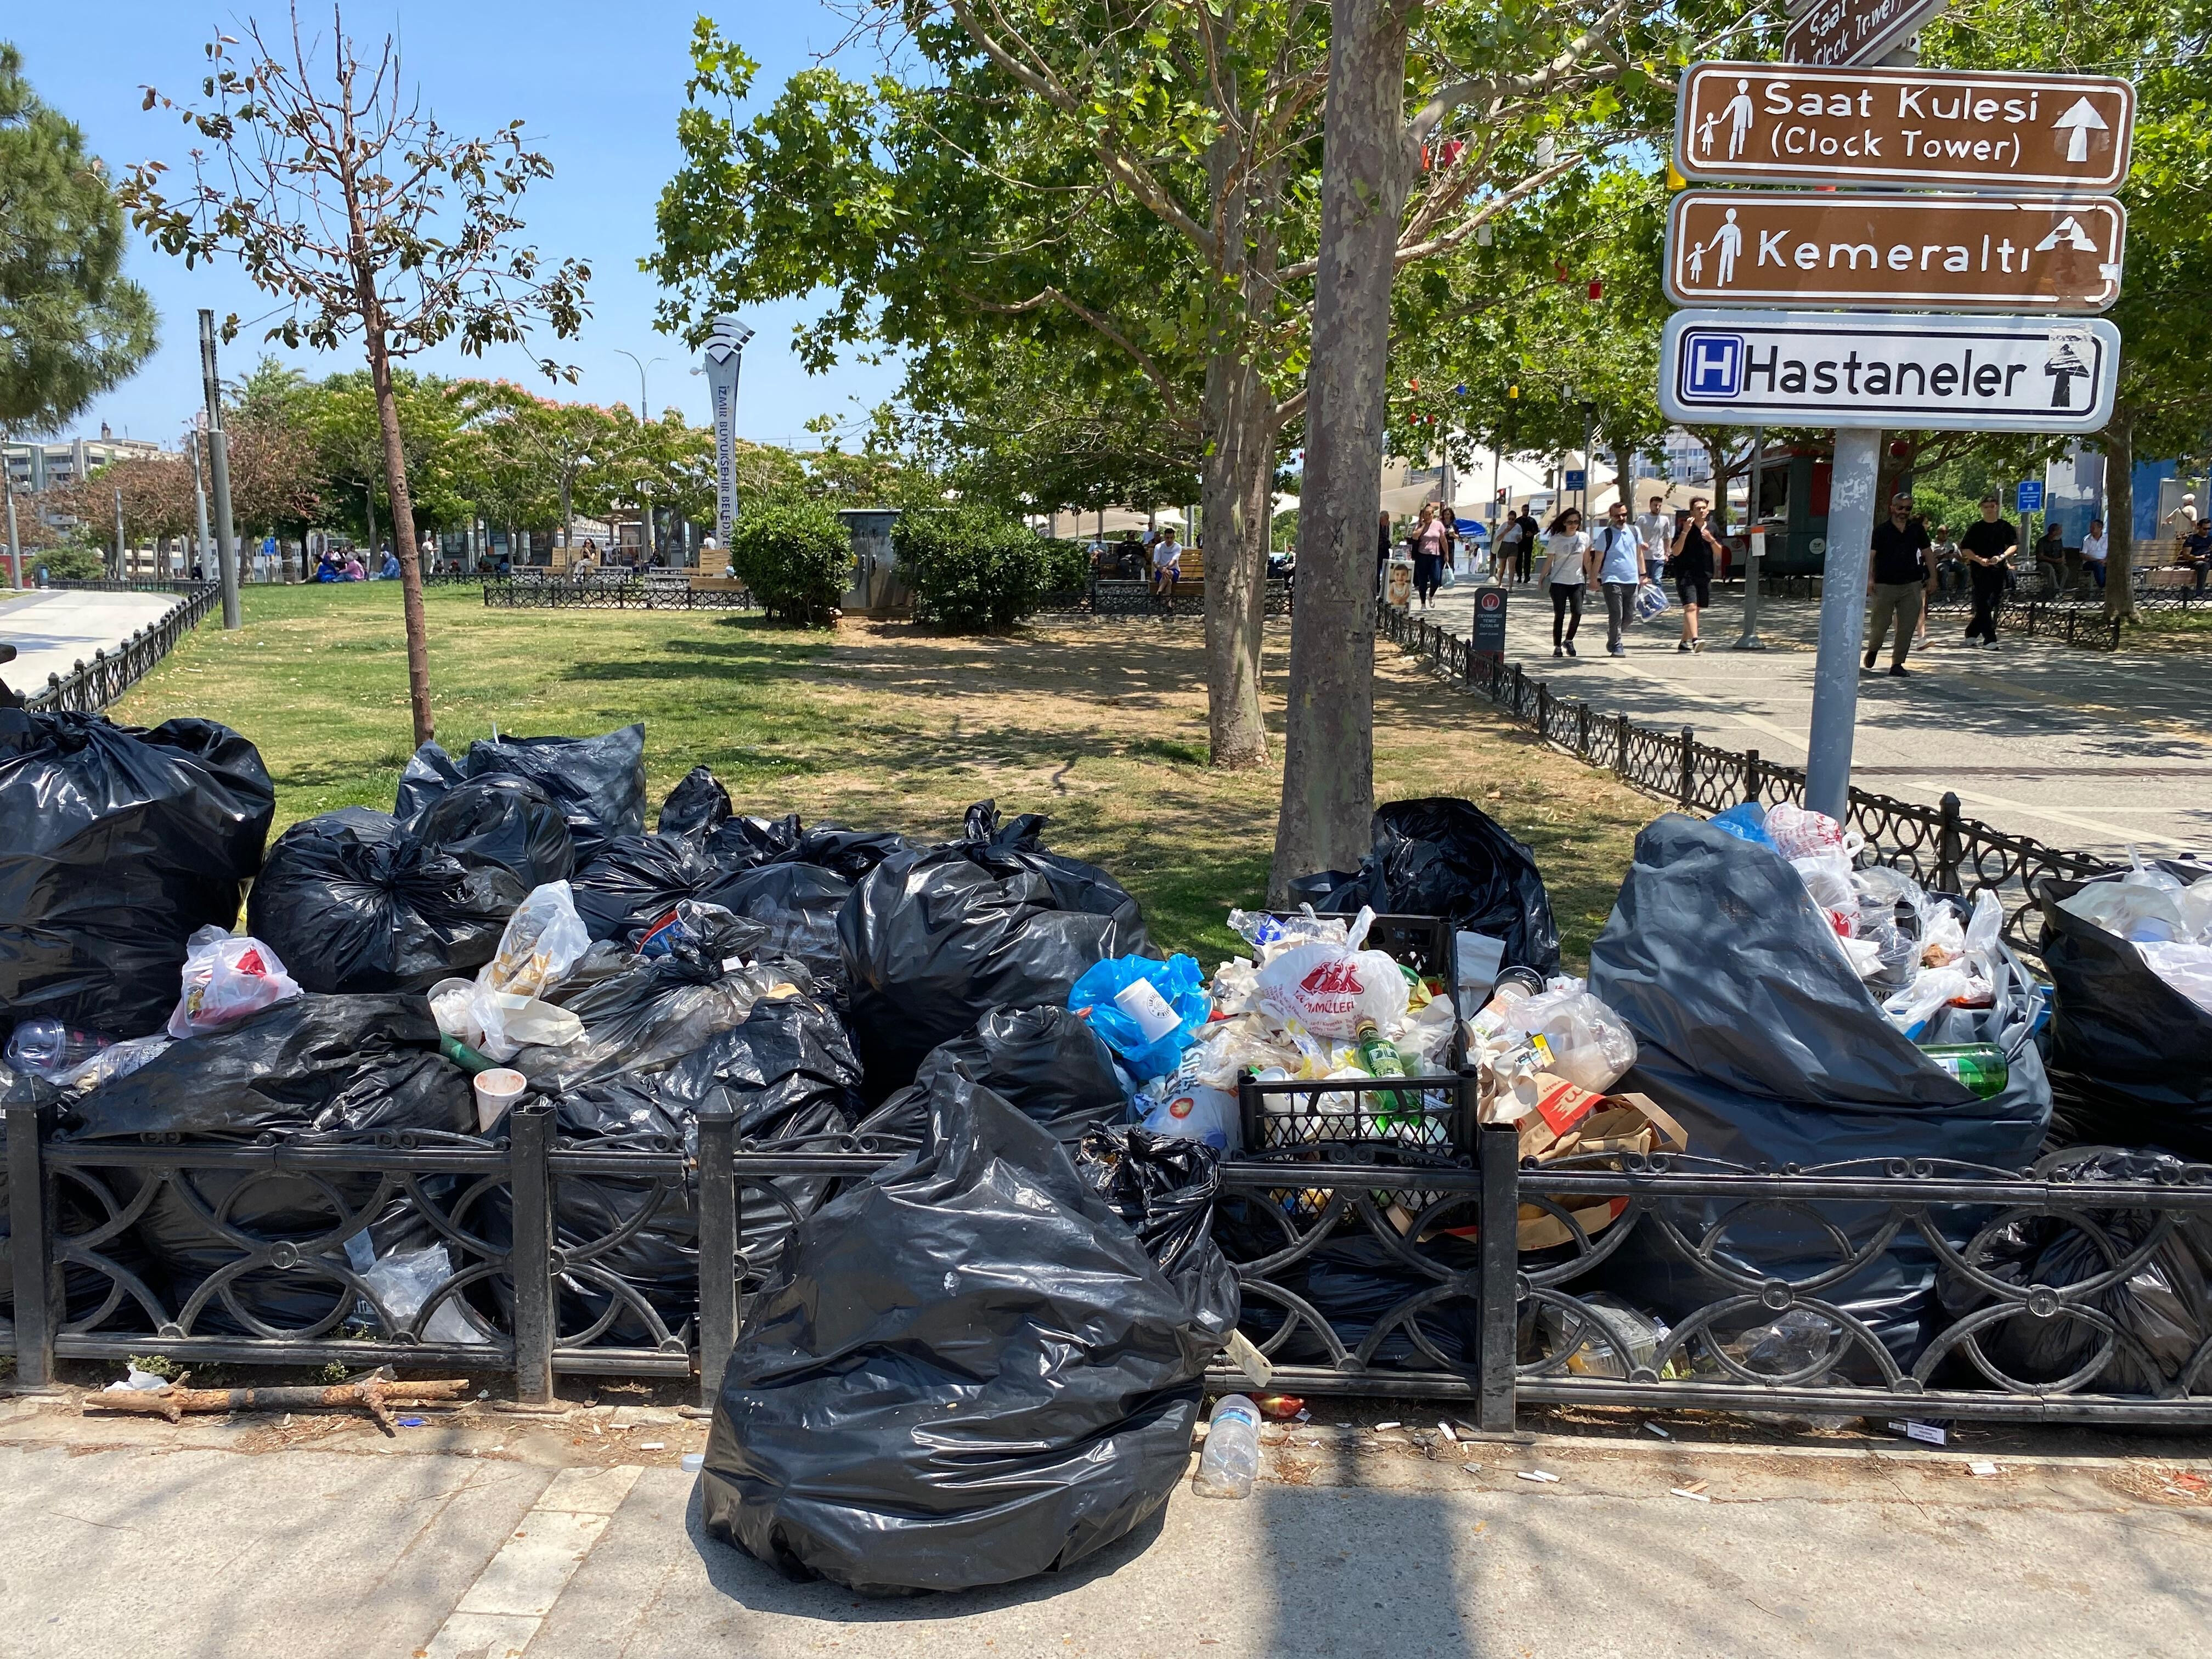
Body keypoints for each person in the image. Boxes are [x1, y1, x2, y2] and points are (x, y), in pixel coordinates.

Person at [1863, 492, 1933, 677]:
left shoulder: (1917, 530)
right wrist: (1869, 579)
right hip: (1885, 585)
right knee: (1880, 625)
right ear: (1892, 508)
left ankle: (1897, 664)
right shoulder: (1881, 531)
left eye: (1908, 508)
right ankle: (1873, 649)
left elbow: (1928, 553)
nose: (1904, 511)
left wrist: (1933, 577)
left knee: (1907, 626)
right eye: (1900, 507)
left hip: (1911, 584)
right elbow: (1871, 556)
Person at [1959, 493, 2017, 648]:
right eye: (1986, 507)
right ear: (1981, 509)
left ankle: (1972, 632)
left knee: (1992, 603)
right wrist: (1979, 559)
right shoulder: (1976, 528)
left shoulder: (2005, 526)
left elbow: (2013, 545)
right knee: (1983, 603)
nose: (1990, 510)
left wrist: (2002, 556)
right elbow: (1965, 549)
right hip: (1980, 570)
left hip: (1998, 569)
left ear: (1997, 507)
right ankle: (1990, 639)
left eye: (1992, 506)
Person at [1670, 496, 1722, 652]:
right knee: (1690, 607)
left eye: (1704, 508)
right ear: (1692, 511)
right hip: (1685, 573)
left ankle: (1683, 642)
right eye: (1698, 508)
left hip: (1705, 573)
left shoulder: (1712, 528)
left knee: (1695, 609)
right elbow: (1675, 552)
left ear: (1708, 510)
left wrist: (1711, 540)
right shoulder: (1683, 527)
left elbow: (1720, 553)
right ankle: (1695, 640)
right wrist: (1685, 532)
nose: (1701, 511)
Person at [1594, 500, 1643, 657]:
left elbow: (1639, 553)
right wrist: (1594, 579)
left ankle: (1613, 634)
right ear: (1611, 516)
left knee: (1629, 617)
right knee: (1616, 614)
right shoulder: (1606, 535)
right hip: (1612, 579)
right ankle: (1616, 645)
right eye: (1617, 516)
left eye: (1624, 514)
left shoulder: (1635, 531)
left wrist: (1644, 574)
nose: (1621, 518)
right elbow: (1598, 559)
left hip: (1632, 579)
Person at [1543, 507, 1593, 658]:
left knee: (1577, 612)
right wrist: (1541, 578)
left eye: (1576, 522)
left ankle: (1569, 640)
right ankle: (1557, 646)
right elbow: (1549, 561)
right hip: (1559, 582)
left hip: (1577, 582)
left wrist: (1592, 578)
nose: (1573, 525)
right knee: (1560, 615)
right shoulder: (1556, 539)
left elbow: (1587, 560)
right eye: (1570, 522)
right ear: (1564, 522)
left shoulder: (1584, 538)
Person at [1409, 502, 1450, 608]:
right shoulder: (1419, 525)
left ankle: (1431, 596)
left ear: (1433, 514)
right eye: (1426, 514)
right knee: (1422, 582)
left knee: (1436, 580)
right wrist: (1423, 526)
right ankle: (1423, 604)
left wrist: (1446, 553)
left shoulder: (1438, 525)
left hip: (1435, 556)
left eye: (1430, 514)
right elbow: (1415, 537)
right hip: (1422, 556)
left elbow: (1443, 540)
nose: (1428, 516)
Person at [1635, 494, 1674, 588]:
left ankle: (1657, 601)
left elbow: (1666, 537)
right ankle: (1643, 600)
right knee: (1643, 581)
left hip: (1658, 556)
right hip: (1644, 556)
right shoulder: (1642, 519)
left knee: (1657, 580)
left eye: (1659, 506)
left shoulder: (1665, 520)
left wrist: (1666, 553)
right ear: (1650, 506)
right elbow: (1636, 535)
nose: (1657, 508)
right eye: (1655, 505)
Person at [1151, 527, 1183, 615]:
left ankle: (1158, 593)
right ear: (1164, 537)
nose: (1169, 540)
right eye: (1167, 538)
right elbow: (1155, 562)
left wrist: (1166, 568)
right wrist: (1161, 568)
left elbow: (1174, 560)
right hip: (1161, 571)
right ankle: (1169, 607)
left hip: (1173, 571)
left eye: (1171, 538)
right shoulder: (1159, 546)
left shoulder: (1178, 547)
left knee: (1168, 573)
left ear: (1174, 537)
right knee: (1168, 582)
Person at [2033, 521, 2067, 596]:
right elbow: (2040, 556)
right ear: (2054, 532)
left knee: (2064, 570)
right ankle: (2056, 589)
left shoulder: (2059, 541)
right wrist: (2054, 560)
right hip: (2044, 563)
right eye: (2059, 531)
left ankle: (2059, 591)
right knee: (2049, 568)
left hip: (2056, 563)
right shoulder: (2042, 541)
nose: (2061, 532)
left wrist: (2062, 558)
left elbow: (2062, 551)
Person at [2079, 517, 2108, 592]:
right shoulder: (2087, 540)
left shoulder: (2108, 538)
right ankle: (2103, 587)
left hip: (2105, 561)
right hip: (2090, 563)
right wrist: (2097, 560)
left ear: (2100, 528)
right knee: (2098, 566)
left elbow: (2112, 552)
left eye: (2093, 527)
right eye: (2090, 527)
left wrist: (2105, 560)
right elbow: (2083, 555)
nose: (2091, 529)